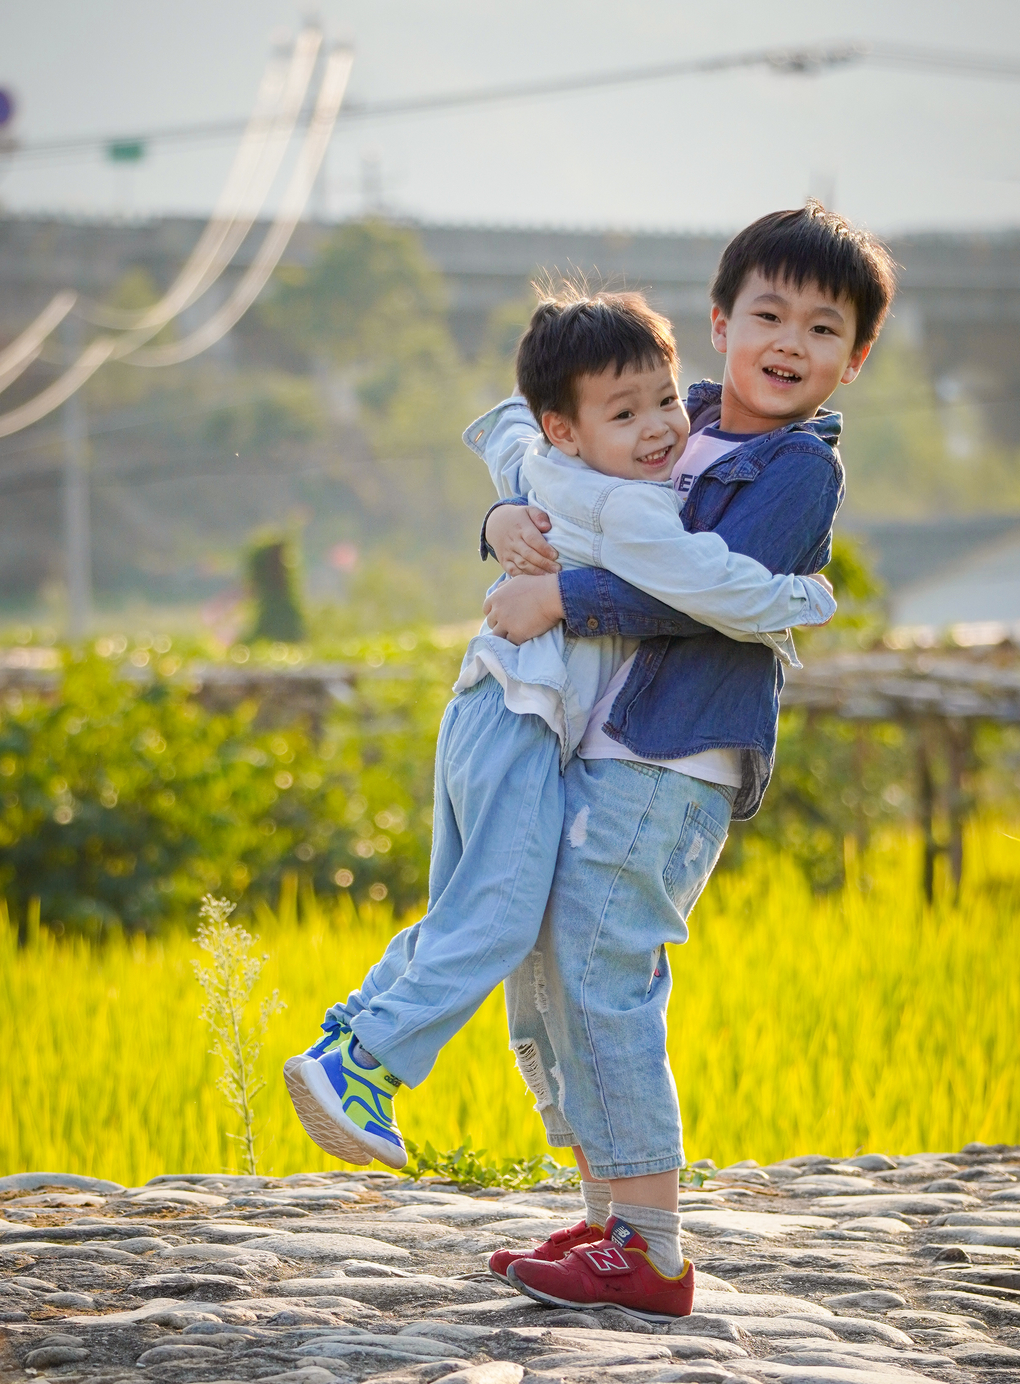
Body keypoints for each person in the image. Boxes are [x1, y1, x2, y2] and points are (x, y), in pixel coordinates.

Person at [283, 282, 836, 1174]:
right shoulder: (632, 504)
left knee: (477, 907)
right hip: (523, 719)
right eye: (627, 413)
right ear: (568, 429)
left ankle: (354, 1031)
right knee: (500, 917)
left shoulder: (573, 462)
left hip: (490, 709)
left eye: (664, 399)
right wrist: (798, 599)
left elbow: (505, 427)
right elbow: (709, 585)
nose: (659, 427)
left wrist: (509, 506)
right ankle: (363, 1064)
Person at [478, 201, 895, 1320]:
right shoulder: (679, 418)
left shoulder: (797, 470)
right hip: (601, 736)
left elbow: (703, 599)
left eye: (821, 330)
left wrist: (557, 595)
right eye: (768, 313)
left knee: (607, 966)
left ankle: (651, 1250)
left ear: (852, 360)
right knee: (556, 961)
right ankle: (608, 1215)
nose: (788, 342)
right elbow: (566, 474)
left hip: (675, 757)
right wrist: (502, 527)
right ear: (717, 321)